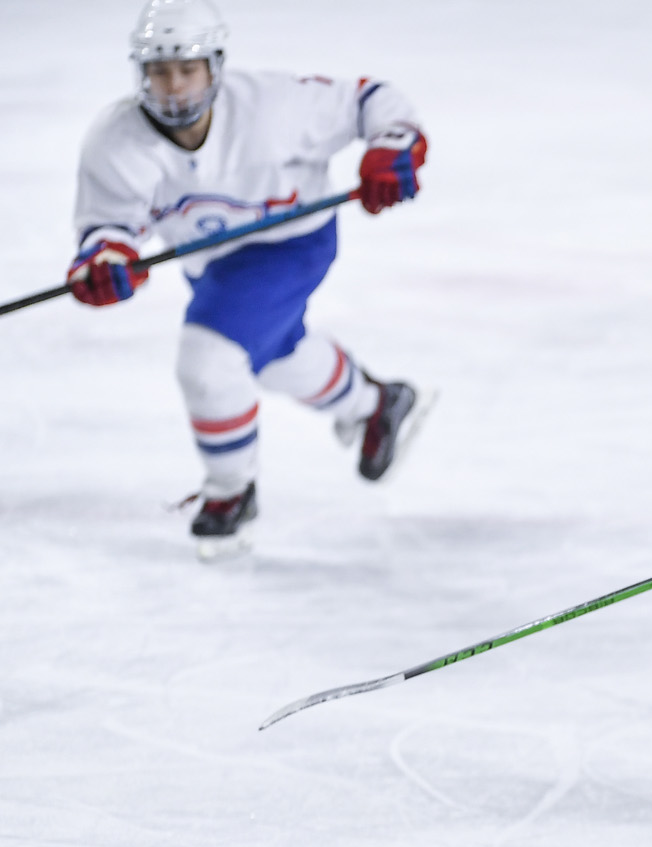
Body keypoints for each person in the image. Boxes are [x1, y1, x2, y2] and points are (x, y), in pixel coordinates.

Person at [69, 0, 432, 560]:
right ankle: (374, 404)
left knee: (209, 358)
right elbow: (109, 226)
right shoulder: (116, 140)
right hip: (210, 264)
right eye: (158, 72)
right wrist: (104, 263)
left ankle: (230, 494)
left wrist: (392, 147)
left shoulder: (273, 106)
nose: (173, 88)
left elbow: (371, 99)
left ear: (215, 66)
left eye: (186, 69)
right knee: (273, 355)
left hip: (292, 242)